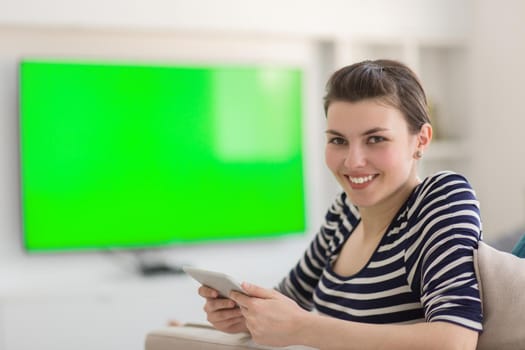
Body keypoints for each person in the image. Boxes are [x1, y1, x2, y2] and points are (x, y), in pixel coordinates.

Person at [198, 59, 483, 350]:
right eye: (338, 140)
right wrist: (244, 314)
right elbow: (287, 301)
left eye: (375, 139)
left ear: (420, 140)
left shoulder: (441, 198)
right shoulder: (344, 212)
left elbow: (455, 341)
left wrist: (303, 327)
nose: (353, 161)